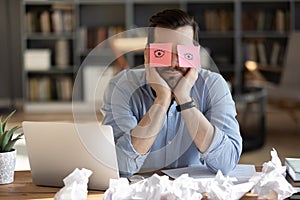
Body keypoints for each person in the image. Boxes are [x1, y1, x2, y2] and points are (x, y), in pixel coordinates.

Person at [102, 9, 242, 177]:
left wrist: (184, 100)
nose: (174, 62)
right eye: (163, 52)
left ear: (194, 54)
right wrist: (162, 100)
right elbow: (121, 166)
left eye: (184, 52)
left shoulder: (213, 85)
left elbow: (226, 163)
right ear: (148, 54)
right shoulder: (121, 86)